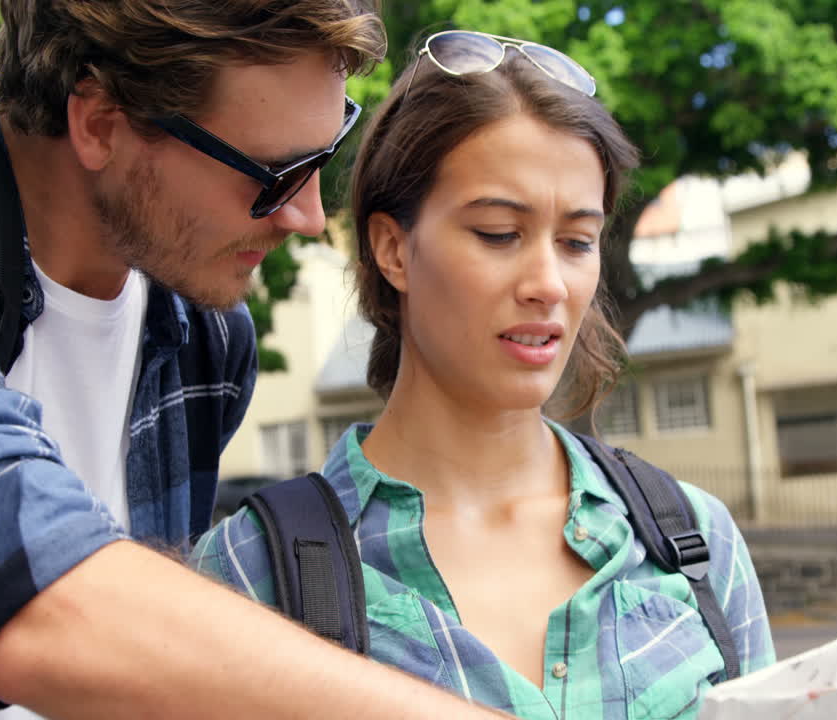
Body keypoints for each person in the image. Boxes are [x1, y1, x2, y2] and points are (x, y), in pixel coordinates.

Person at [0, 2, 512, 719]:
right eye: (273, 173)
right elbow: (14, 575)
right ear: (99, 122)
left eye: (326, 153)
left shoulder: (207, 336)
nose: (307, 215)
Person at [193, 29, 777, 719]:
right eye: (499, 233)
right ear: (393, 249)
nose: (548, 284)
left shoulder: (693, 544)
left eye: (577, 242)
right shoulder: (251, 573)